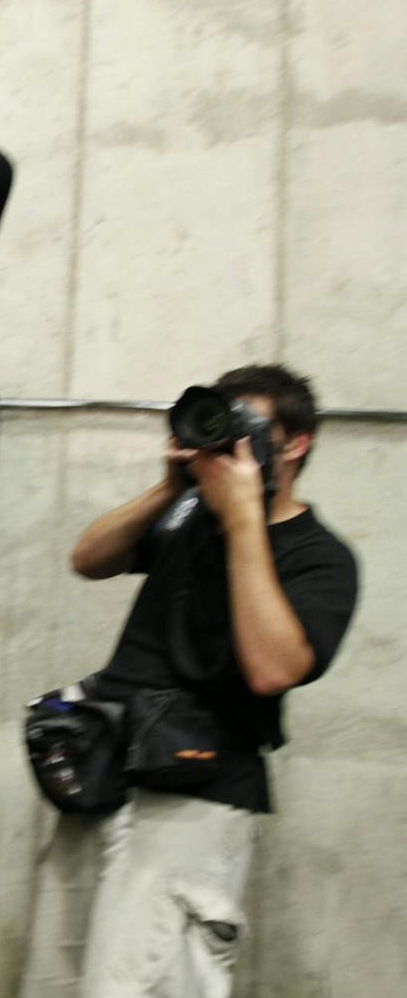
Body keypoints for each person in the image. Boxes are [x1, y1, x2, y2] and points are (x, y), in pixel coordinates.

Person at [19, 364, 359, 998]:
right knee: (57, 980)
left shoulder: (321, 557)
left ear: (295, 443)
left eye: (243, 427)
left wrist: (242, 523)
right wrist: (168, 486)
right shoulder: (186, 514)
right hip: (104, 779)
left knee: (141, 986)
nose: (224, 442)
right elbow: (88, 559)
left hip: (195, 800)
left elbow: (271, 668)